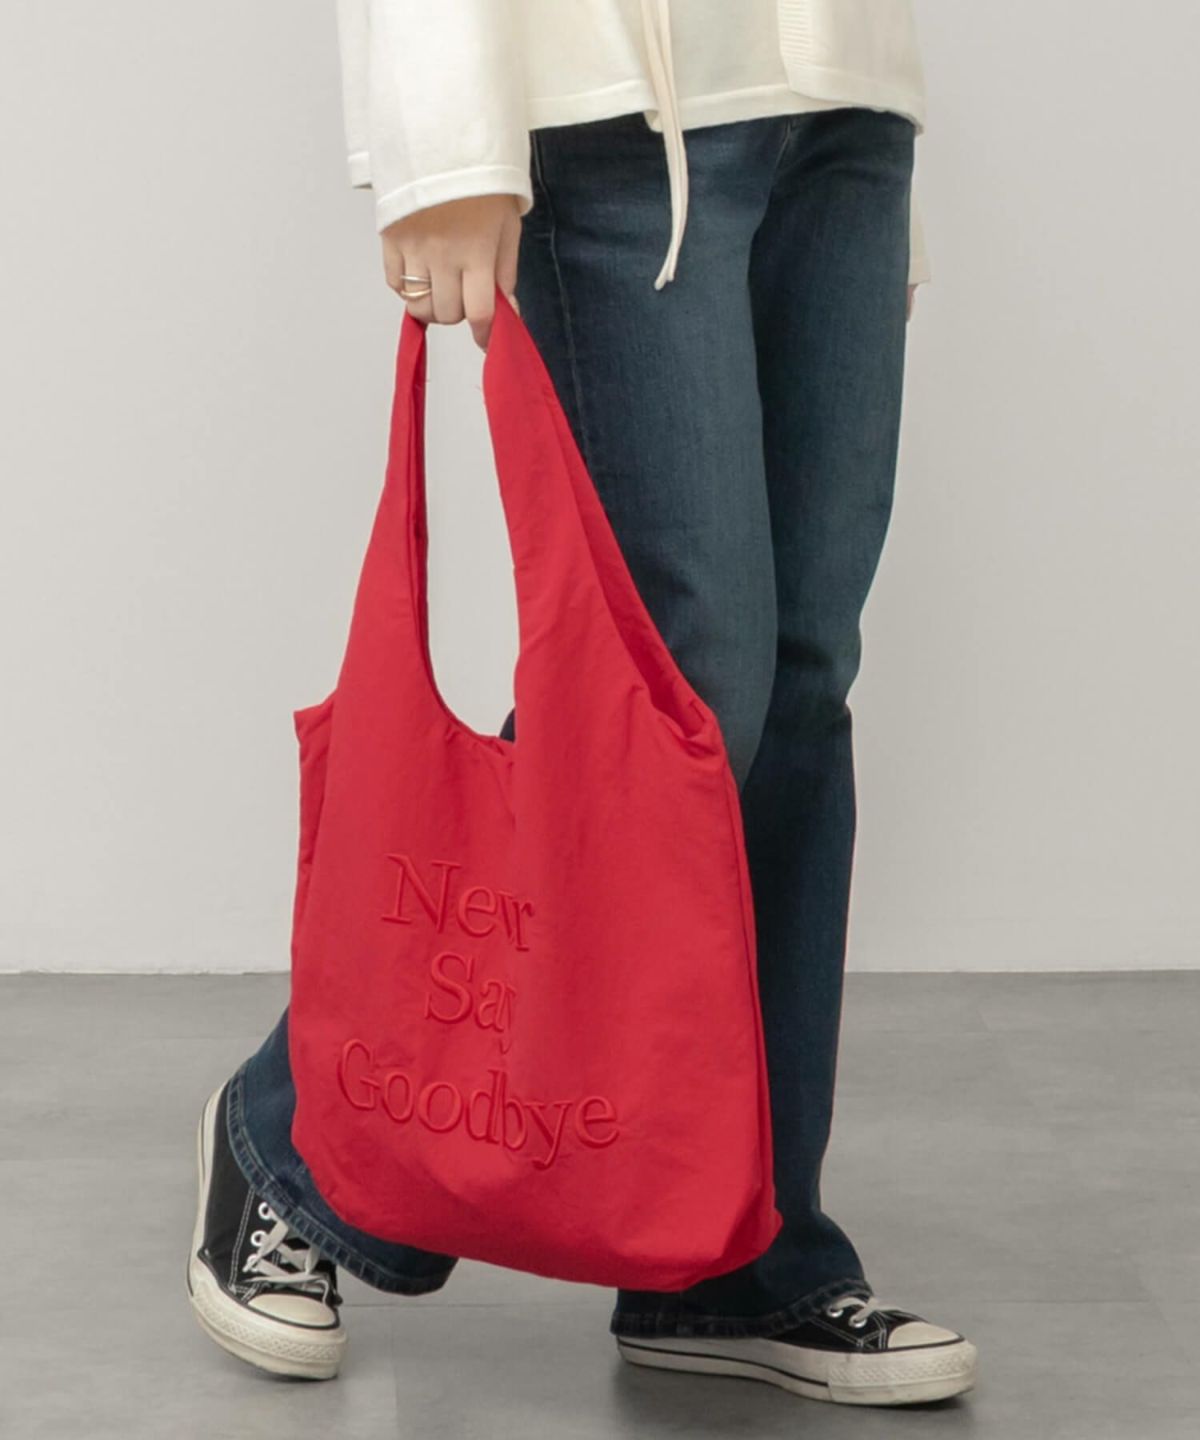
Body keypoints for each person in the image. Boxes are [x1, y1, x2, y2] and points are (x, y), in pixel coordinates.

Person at [186, 0, 978, 1408]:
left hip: (837, 103)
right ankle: (293, 1137)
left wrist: (870, 105)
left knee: (801, 684)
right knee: (680, 693)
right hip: (614, 111)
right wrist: (445, 143)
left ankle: (734, 1252)